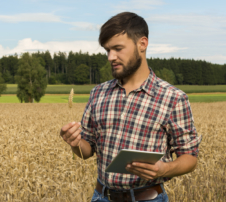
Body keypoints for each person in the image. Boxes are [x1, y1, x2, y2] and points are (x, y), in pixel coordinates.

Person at [60, 12, 202, 202]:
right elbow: (86, 151)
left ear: (142, 44)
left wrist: (164, 169)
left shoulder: (173, 98)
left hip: (149, 198)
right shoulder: (98, 93)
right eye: (107, 50)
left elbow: (190, 158)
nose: (111, 57)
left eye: (118, 48)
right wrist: (74, 141)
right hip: (101, 197)